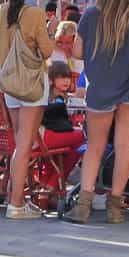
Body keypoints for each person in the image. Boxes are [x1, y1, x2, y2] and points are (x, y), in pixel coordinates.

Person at [65, 0, 129, 225]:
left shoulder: (91, 15)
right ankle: (115, 208)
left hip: (100, 90)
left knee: (95, 147)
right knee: (125, 148)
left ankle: (83, 207)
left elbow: (77, 52)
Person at [0, 0, 55, 220]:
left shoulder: (3, 11)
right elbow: (47, 51)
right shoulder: (35, 13)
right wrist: (50, 34)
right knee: (25, 144)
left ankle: (16, 197)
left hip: (10, 83)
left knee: (18, 143)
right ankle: (16, 203)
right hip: (31, 82)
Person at [39, 61, 85, 191]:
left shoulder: (51, 94)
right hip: (47, 135)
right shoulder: (56, 97)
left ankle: (47, 181)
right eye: (62, 77)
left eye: (68, 78)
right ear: (52, 80)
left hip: (42, 135)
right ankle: (55, 181)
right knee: (82, 137)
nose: (66, 81)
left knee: (70, 146)